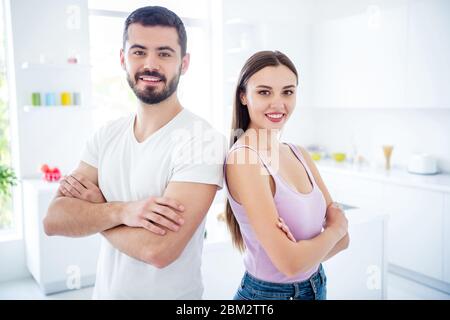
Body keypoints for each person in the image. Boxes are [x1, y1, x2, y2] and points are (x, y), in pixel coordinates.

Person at [43, 6, 225, 299]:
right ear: (122, 58)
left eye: (164, 53)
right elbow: (54, 219)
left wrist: (96, 210)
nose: (150, 64)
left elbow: (158, 250)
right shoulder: (106, 135)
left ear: (185, 63)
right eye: (139, 52)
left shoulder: (203, 141)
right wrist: (122, 210)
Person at [224, 50, 350, 300]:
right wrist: (333, 229)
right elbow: (290, 264)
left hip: (317, 285)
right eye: (264, 92)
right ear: (243, 96)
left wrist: (305, 253)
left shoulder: (298, 153)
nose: (278, 103)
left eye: (288, 92)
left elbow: (343, 241)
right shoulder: (244, 159)